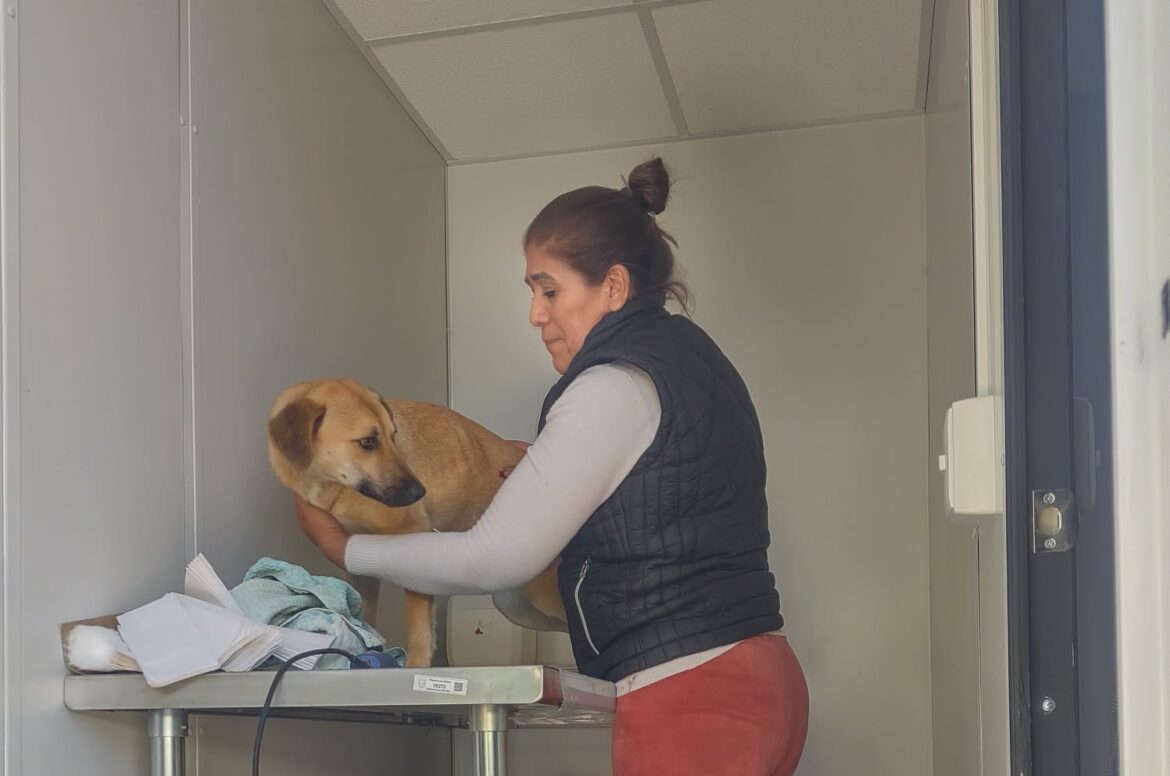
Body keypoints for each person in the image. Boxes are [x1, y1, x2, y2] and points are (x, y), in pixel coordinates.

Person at [295, 157, 809, 775]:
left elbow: (494, 558)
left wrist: (346, 550)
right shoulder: (689, 358)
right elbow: (669, 499)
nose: (536, 314)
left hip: (692, 694)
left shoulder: (612, 385)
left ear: (613, 287)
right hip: (759, 677)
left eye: (550, 290)